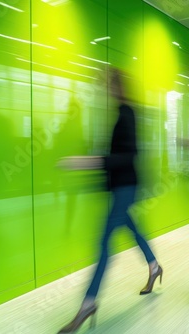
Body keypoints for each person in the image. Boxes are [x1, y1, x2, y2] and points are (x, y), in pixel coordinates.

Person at [57, 69, 162, 333]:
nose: (103, 89)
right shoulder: (121, 113)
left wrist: (89, 162)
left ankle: (88, 304)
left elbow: (129, 155)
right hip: (121, 187)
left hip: (126, 186)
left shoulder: (127, 113)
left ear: (118, 86)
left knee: (103, 244)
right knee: (132, 228)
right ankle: (154, 266)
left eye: (107, 84)